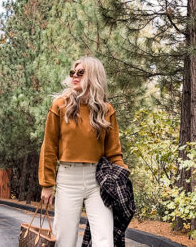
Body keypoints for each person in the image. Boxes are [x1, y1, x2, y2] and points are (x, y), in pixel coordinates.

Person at [38, 56, 128, 247]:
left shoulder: (106, 110)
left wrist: (124, 181)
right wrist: (47, 184)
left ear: (94, 76)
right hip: (67, 179)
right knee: (65, 240)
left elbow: (114, 153)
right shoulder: (60, 106)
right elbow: (49, 148)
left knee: (104, 240)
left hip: (98, 180)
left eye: (81, 72)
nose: (75, 76)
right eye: (73, 72)